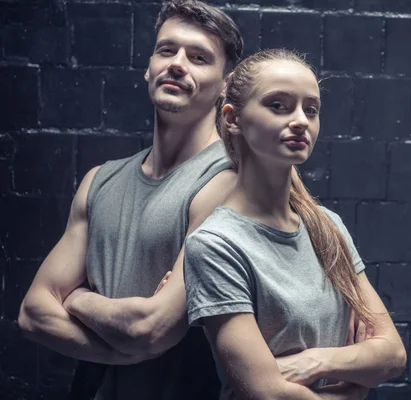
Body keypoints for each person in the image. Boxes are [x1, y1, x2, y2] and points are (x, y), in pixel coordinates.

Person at [17, 1, 243, 399]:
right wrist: (123, 354)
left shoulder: (228, 181)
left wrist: (79, 298)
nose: (176, 63)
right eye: (166, 50)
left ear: (226, 82)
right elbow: (33, 312)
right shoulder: (99, 181)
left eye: (198, 57)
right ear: (148, 67)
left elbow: (150, 330)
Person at [183, 48, 407, 400]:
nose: (301, 120)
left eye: (311, 109)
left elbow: (392, 354)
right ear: (232, 119)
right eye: (279, 105)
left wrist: (314, 361)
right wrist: (353, 388)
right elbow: (269, 393)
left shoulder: (327, 227)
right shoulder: (215, 244)